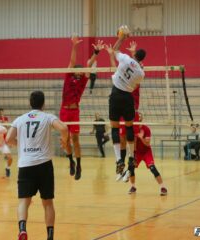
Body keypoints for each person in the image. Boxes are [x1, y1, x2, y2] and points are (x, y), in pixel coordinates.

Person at [6, 91, 68, 240]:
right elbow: (64, 128)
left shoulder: (20, 119)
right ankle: (50, 236)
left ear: (30, 103)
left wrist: (19, 144)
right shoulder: (47, 117)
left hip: (25, 165)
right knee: (47, 203)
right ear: (43, 103)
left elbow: (8, 138)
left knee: (23, 202)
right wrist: (64, 141)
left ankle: (22, 229)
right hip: (44, 165)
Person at [60, 35, 104, 180]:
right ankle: (70, 160)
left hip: (75, 111)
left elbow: (89, 64)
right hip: (64, 111)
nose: (79, 71)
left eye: (81, 70)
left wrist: (96, 53)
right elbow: (72, 61)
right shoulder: (68, 76)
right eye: (77, 70)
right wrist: (74, 46)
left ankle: (78, 165)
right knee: (65, 141)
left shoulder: (83, 80)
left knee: (76, 140)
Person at [105, 26, 146, 181]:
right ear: (142, 59)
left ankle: (118, 160)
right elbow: (135, 85)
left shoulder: (125, 59)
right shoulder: (141, 73)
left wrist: (123, 37)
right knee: (129, 127)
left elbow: (115, 50)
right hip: (128, 97)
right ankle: (130, 156)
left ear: (134, 55)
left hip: (115, 94)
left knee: (115, 128)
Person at [127, 113, 167, 196]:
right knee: (131, 167)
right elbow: (131, 144)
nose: (139, 117)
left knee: (153, 168)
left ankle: (163, 187)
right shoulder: (132, 129)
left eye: (140, 116)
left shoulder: (146, 129)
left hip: (146, 152)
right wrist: (133, 155)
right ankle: (133, 187)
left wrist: (141, 137)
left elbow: (147, 144)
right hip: (136, 152)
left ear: (141, 118)